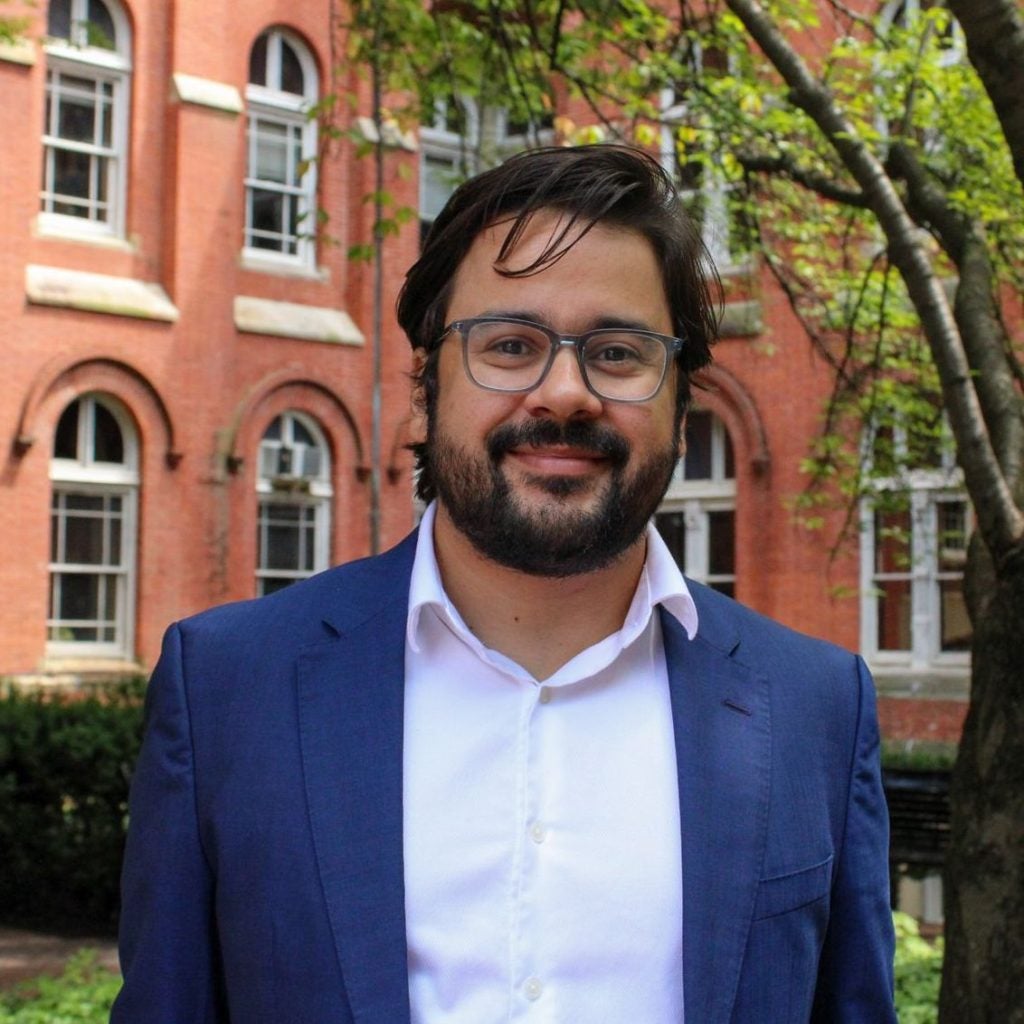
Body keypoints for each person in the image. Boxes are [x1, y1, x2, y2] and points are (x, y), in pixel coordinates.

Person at [112, 144, 897, 1023]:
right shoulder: (226, 690)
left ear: (682, 403)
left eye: (618, 352)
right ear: (423, 388)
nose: (565, 393)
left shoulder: (816, 710)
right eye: (511, 344)